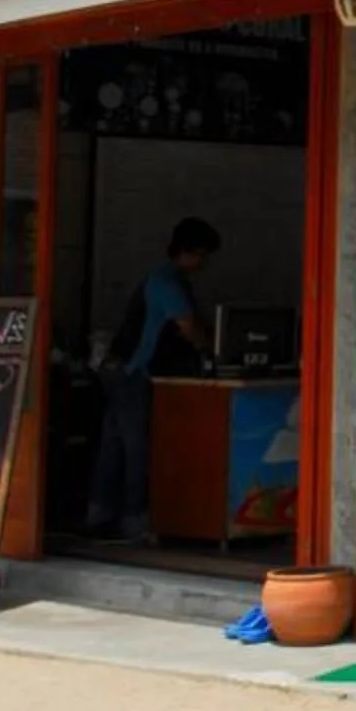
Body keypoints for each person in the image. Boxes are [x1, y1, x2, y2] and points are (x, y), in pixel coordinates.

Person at [85, 217, 219, 539]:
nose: (204, 263)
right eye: (202, 255)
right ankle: (135, 520)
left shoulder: (161, 279)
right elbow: (187, 327)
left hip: (119, 370)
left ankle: (99, 514)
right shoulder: (167, 283)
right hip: (135, 373)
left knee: (114, 446)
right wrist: (210, 350)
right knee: (138, 448)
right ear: (187, 251)